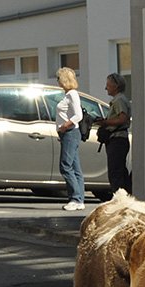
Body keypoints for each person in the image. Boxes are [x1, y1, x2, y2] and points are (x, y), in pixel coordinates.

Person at [55, 67, 85, 210]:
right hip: (68, 134)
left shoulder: (72, 94)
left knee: (65, 166)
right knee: (75, 167)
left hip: (70, 133)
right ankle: (79, 199)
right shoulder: (68, 95)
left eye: (59, 78)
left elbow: (78, 115)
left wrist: (64, 126)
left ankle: (75, 198)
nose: (57, 81)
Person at [96, 73, 132, 194]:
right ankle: (125, 196)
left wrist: (105, 122)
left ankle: (120, 197)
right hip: (117, 139)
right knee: (119, 170)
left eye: (108, 85)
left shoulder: (119, 100)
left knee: (115, 171)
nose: (106, 88)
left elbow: (122, 119)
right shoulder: (119, 99)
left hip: (117, 139)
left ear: (116, 86)